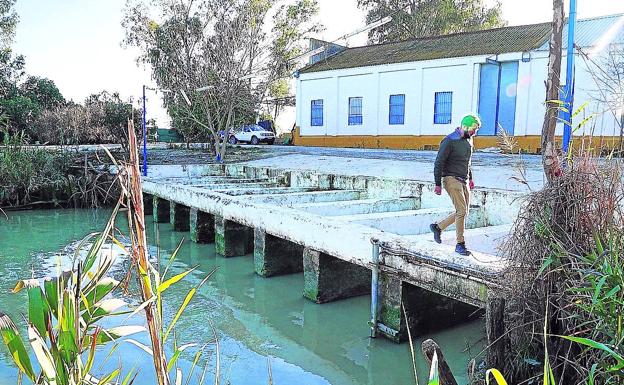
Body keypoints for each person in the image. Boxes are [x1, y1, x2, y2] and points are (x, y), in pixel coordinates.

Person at [429, 114, 481, 256]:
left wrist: (470, 178)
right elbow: (439, 162)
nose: (474, 133)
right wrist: (437, 183)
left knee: (463, 212)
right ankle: (460, 244)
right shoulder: (449, 140)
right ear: (465, 127)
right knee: (461, 211)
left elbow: (467, 162)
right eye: (473, 129)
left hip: (463, 179)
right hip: (451, 179)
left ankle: (438, 227)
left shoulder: (469, 141)